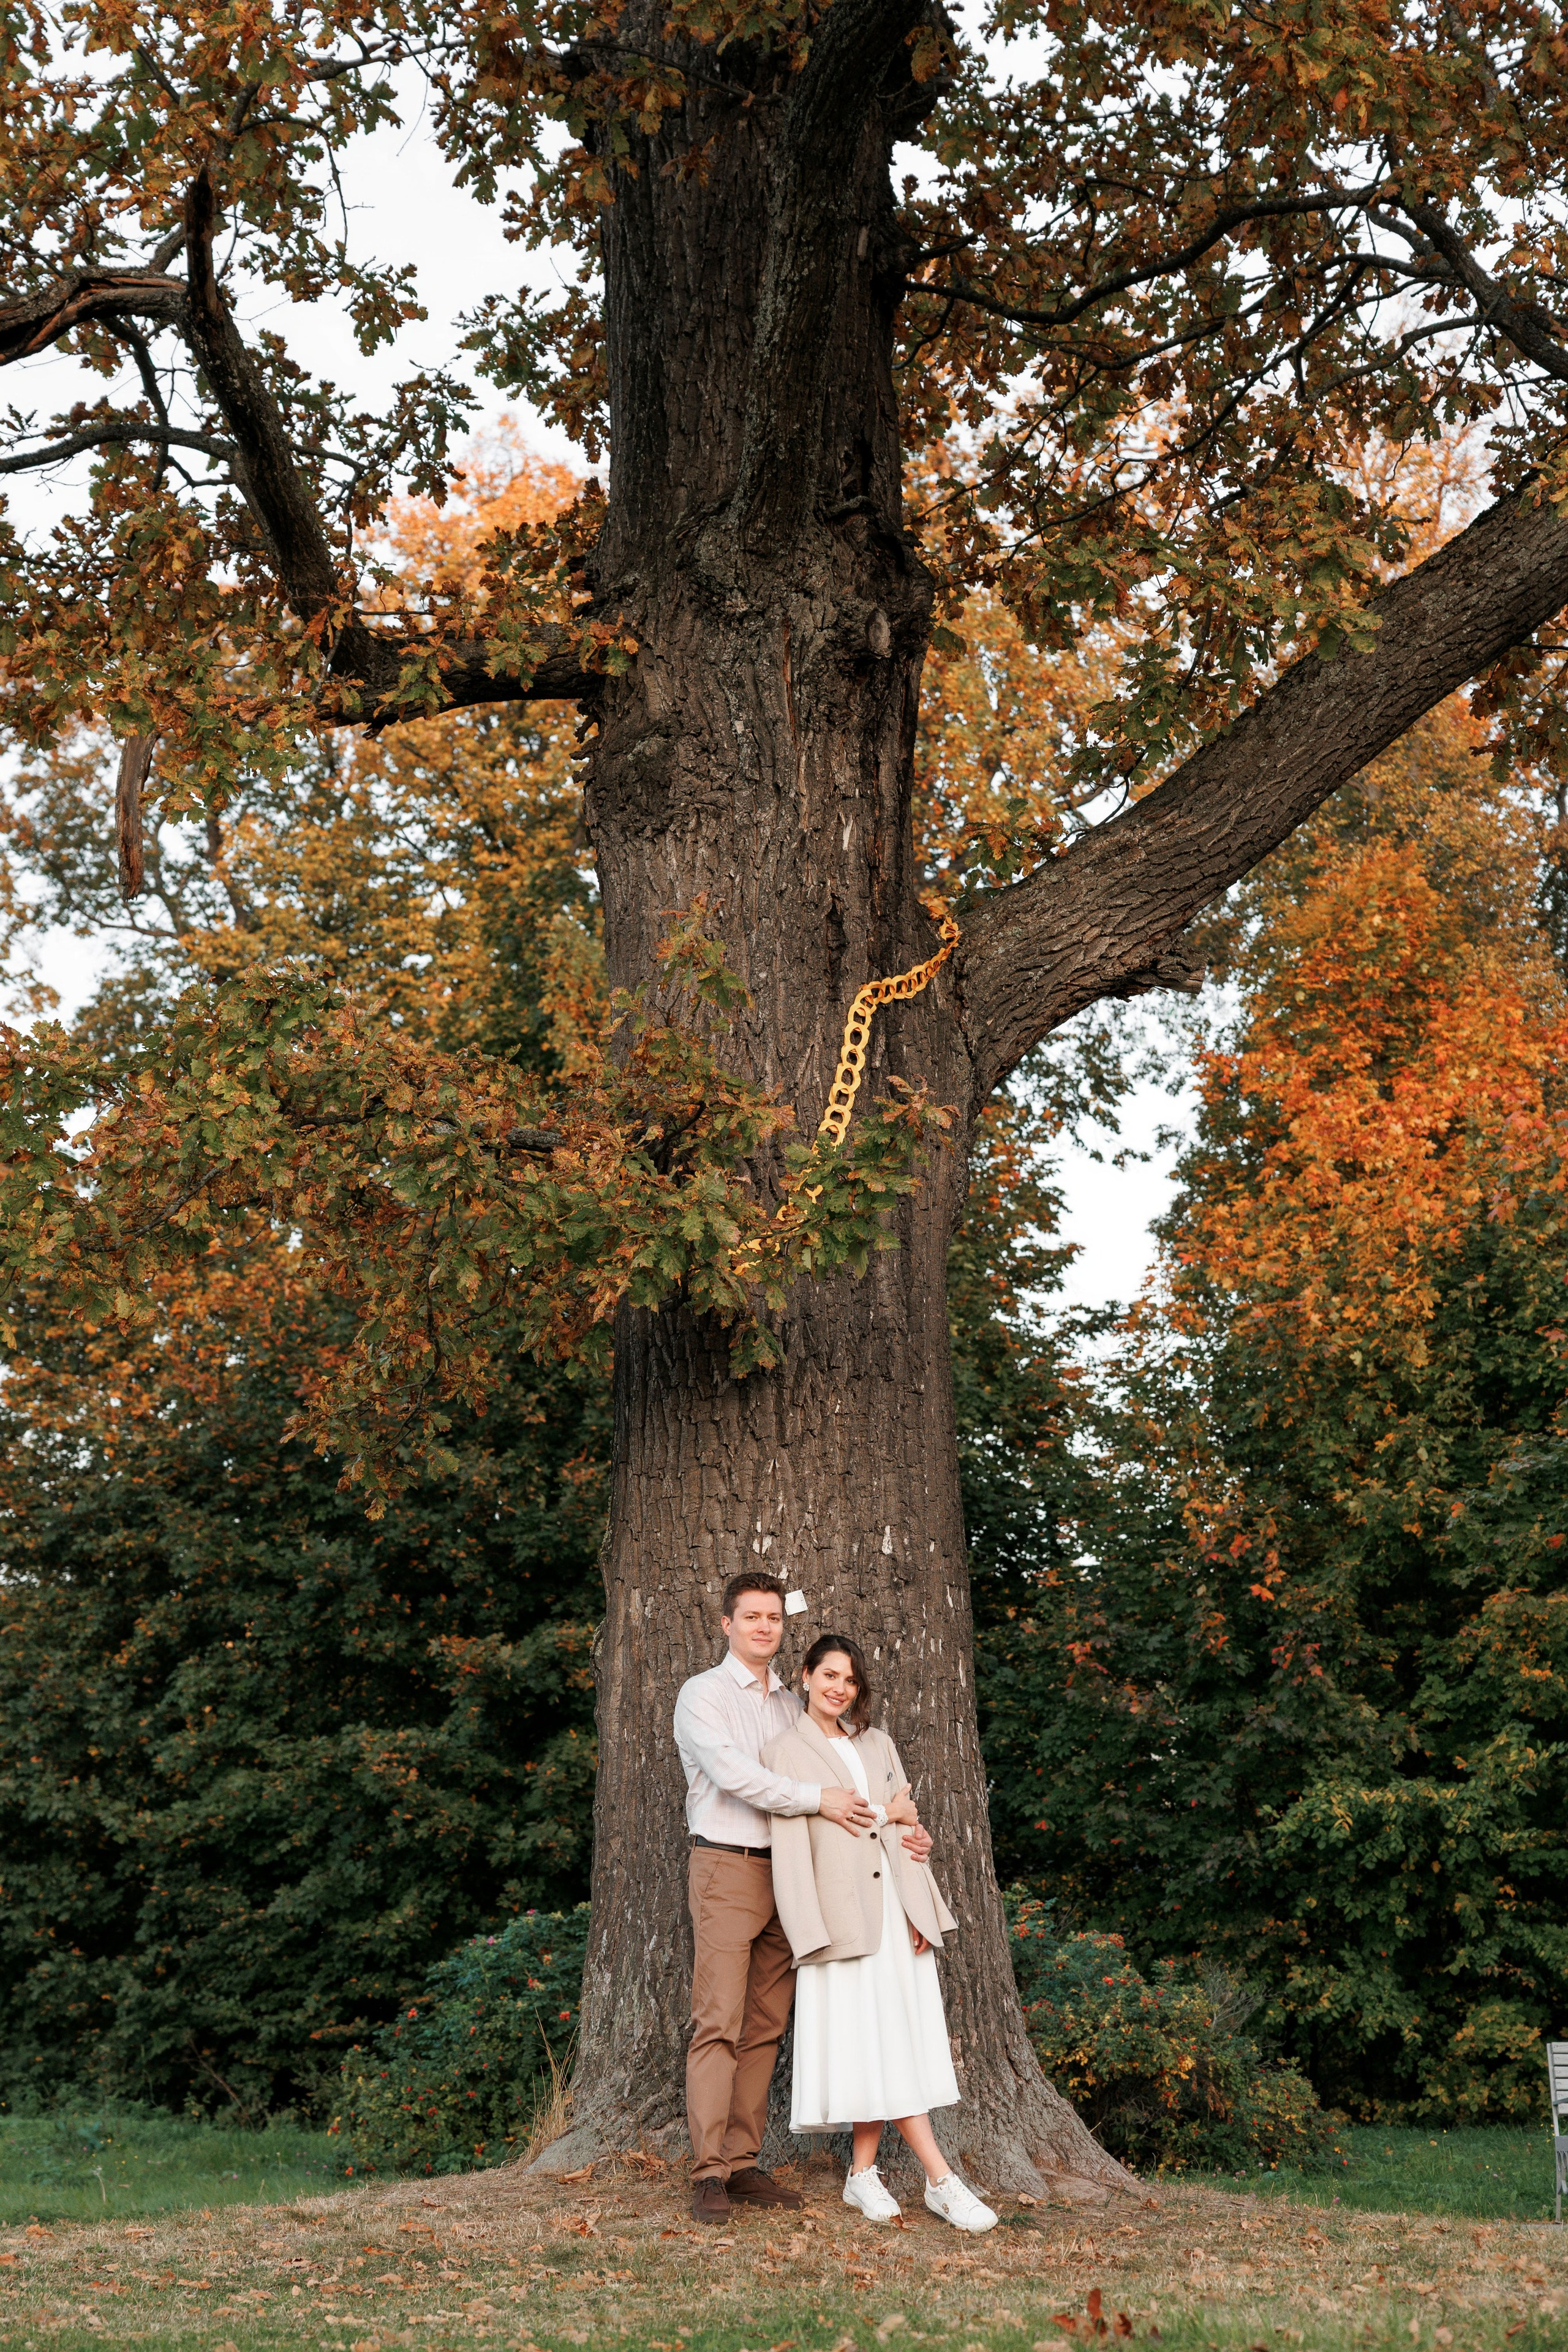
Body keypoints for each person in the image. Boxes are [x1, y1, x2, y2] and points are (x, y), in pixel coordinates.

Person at [673, 1572, 933, 2226]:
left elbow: (845, 1779)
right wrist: (825, 1801)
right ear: (726, 1624)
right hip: (728, 1868)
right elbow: (741, 1778)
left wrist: (901, 1825)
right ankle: (707, 2172)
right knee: (718, 2022)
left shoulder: (796, 1705)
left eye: (773, 1618)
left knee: (765, 2025)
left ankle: (741, 2162)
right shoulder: (701, 1696)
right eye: (751, 1616)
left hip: (797, 1879)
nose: (763, 1626)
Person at [761, 1634, 998, 2233]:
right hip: (839, 1920)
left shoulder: (878, 1743)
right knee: (873, 2040)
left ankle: (862, 2174)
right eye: (829, 1675)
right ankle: (941, 2181)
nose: (839, 1688)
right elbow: (791, 1851)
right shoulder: (783, 1753)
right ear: (806, 1675)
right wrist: (806, 1933)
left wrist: (922, 1910)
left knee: (889, 2038)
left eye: (850, 1680)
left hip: (895, 1911)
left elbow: (906, 1831)